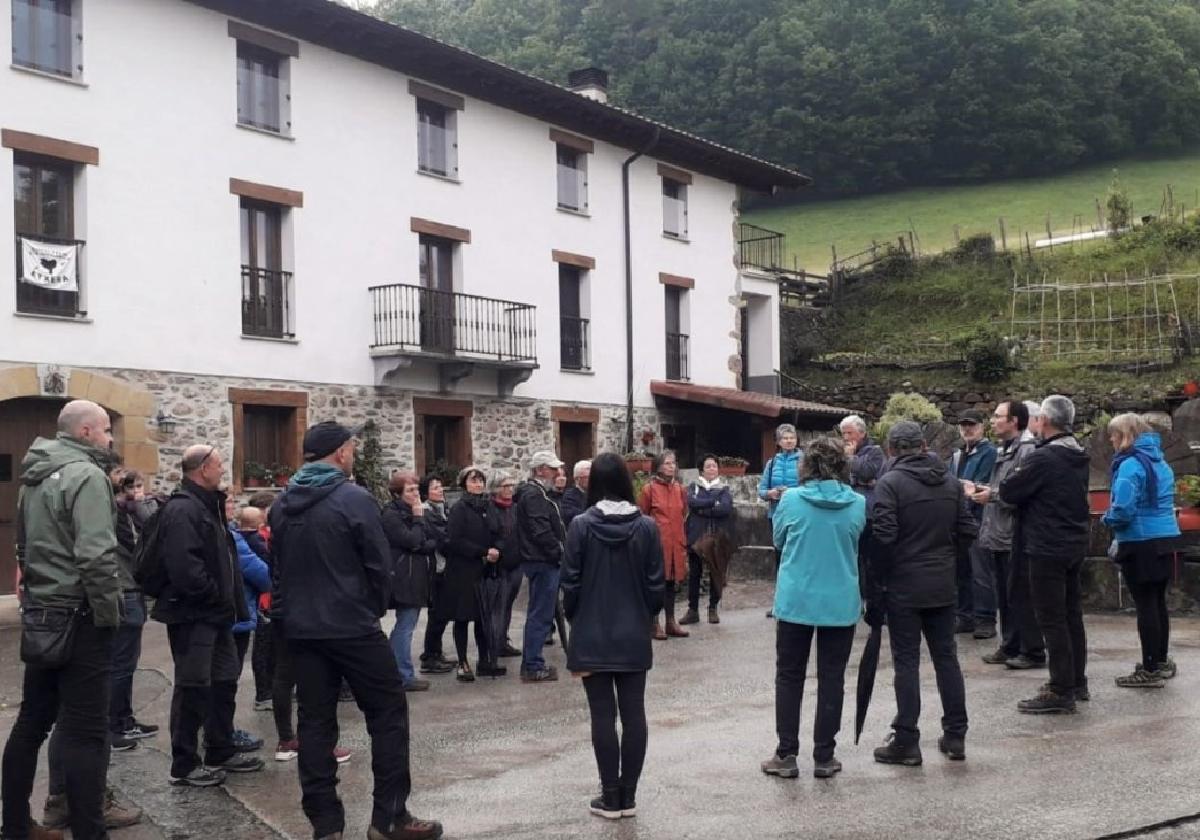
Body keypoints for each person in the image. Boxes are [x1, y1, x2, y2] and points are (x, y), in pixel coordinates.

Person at [270, 422, 443, 840]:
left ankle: (326, 826)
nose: (351, 453)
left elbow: (279, 567)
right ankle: (389, 817)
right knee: (387, 715)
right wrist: (369, 607)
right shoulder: (353, 498)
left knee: (314, 723)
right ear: (341, 454)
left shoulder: (282, 503)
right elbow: (378, 565)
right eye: (350, 447)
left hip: (302, 628)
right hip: (351, 626)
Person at [2, 400, 124, 840]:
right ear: (87, 432)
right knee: (86, 731)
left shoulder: (33, 476)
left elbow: (22, 546)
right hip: (81, 616)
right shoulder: (87, 475)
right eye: (107, 429)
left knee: (32, 720)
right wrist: (110, 614)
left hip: (44, 612)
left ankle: (15, 826)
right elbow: (95, 555)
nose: (112, 438)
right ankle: (90, 832)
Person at [561, 452, 664, 820]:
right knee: (634, 713)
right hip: (633, 632)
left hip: (591, 632)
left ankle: (609, 797)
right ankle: (628, 796)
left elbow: (569, 583)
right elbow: (657, 587)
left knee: (602, 716)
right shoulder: (647, 527)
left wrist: (578, 618)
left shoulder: (580, 525)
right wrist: (645, 617)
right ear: (625, 481)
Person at [151, 446, 262, 787]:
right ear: (201, 469)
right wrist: (215, 595)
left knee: (224, 681)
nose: (222, 470)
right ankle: (183, 765)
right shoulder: (184, 509)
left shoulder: (206, 506)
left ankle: (220, 747)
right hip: (194, 614)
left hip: (215, 615)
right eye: (217, 464)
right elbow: (185, 568)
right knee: (192, 686)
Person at [871, 421, 977, 766]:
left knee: (907, 661)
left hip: (905, 582)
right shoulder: (949, 482)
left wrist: (880, 578)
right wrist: (950, 562)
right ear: (921, 446)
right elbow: (966, 530)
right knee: (946, 657)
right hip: (942, 581)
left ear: (892, 450)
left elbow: (883, 537)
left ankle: (906, 738)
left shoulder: (890, 484)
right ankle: (956, 734)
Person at [761, 437, 865, 781]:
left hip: (796, 600)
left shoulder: (790, 500)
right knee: (832, 678)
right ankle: (825, 754)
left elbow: (779, 541)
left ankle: (786, 753)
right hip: (840, 600)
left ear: (807, 466)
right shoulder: (858, 503)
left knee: (789, 675)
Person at [999, 395, 1091, 714]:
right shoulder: (1079, 453)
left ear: (1046, 422)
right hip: (1073, 541)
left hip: (1046, 545)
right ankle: (1076, 681)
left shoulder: (1044, 458)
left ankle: (1061, 689)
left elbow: (1011, 490)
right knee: (1071, 615)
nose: (1034, 422)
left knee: (1051, 618)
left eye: (1038, 418)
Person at [1103, 413, 1181, 688]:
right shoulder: (1161, 463)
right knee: (1158, 602)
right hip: (1167, 538)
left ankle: (1148, 668)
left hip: (1140, 540)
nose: (1110, 440)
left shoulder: (1130, 465)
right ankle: (1160, 660)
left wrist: (1107, 520)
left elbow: (1123, 508)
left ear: (1125, 435)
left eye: (1113, 434)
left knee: (1145, 605)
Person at [972, 401, 1045, 668]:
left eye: (997, 416)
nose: (992, 421)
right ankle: (1010, 644)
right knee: (1004, 593)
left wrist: (991, 495)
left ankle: (1030, 648)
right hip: (999, 533)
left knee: (1020, 595)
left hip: (1013, 533)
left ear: (1014, 421)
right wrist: (984, 490)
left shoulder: (1027, 451)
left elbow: (1021, 492)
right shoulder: (1006, 449)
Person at [110, 469, 160, 743]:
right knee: (121, 664)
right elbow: (146, 539)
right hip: (125, 590)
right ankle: (115, 725)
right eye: (132, 486)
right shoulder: (117, 515)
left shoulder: (127, 512)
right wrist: (138, 505)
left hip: (133, 590)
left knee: (127, 664)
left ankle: (124, 718)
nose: (138, 491)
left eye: (141, 485)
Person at [442, 466, 504, 680]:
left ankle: (484, 661)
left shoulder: (488, 506)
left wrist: (496, 549)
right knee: (462, 617)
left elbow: (497, 530)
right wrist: (483, 551)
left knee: (482, 617)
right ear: (464, 484)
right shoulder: (459, 508)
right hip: (463, 570)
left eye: (480, 480)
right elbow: (454, 540)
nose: (478, 484)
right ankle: (462, 662)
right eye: (473, 480)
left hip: (484, 569)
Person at [514, 451, 568, 683]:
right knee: (540, 614)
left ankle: (533, 662)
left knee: (541, 613)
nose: (557, 473)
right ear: (540, 470)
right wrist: (558, 553)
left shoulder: (534, 493)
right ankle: (533, 665)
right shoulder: (534, 495)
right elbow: (540, 530)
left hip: (539, 559)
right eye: (552, 468)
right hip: (542, 561)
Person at [382, 471, 437, 692]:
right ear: (397, 494)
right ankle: (402, 675)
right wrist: (417, 519)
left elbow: (433, 540)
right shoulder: (391, 515)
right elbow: (412, 540)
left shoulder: (416, 512)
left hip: (417, 574)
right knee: (404, 627)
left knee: (407, 625)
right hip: (403, 576)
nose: (416, 494)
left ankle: (399, 672)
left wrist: (419, 536)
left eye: (416, 489)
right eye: (410, 490)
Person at [948, 409, 997, 637]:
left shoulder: (989, 453)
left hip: (979, 516)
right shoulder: (958, 455)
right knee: (961, 570)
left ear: (982, 426)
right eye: (963, 425)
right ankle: (964, 616)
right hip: (960, 517)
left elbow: (983, 483)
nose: (967, 429)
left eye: (972, 425)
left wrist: (964, 487)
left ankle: (985, 618)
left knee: (981, 571)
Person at [638, 450, 690, 640]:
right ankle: (654, 623)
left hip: (676, 544)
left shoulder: (680, 489)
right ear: (658, 466)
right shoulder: (649, 489)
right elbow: (642, 517)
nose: (672, 466)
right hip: (656, 545)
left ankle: (670, 621)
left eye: (674, 463)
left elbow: (684, 513)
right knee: (656, 584)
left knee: (671, 584)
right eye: (668, 463)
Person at [841, 415, 885, 624]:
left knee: (873, 564)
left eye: (850, 433)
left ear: (862, 433)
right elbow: (843, 479)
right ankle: (854, 605)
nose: (846, 438)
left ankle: (876, 609)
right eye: (843, 434)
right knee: (852, 563)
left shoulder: (875, 451)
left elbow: (869, 472)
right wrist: (863, 480)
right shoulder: (844, 454)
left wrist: (851, 460)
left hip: (870, 516)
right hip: (849, 514)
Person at [681, 454, 733, 625]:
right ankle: (693, 610)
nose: (712, 469)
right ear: (702, 469)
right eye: (708, 466)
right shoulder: (694, 486)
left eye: (714, 466)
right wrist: (712, 502)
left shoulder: (724, 488)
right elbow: (691, 502)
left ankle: (713, 609)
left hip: (716, 537)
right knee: (694, 574)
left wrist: (703, 507)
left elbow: (725, 508)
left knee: (715, 573)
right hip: (696, 536)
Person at [759, 423, 803, 617]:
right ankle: (780, 604)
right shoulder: (772, 463)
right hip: (777, 516)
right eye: (785, 438)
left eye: (792, 437)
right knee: (780, 560)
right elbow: (761, 491)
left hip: (799, 515)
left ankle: (800, 602)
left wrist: (791, 492)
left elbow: (809, 485)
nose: (789, 441)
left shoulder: (804, 460)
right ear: (778, 441)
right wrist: (770, 493)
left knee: (799, 559)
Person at [237, 505, 275, 711]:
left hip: (261, 602)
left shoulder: (242, 539)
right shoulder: (256, 541)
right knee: (264, 650)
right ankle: (264, 694)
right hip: (264, 602)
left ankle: (266, 692)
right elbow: (264, 574)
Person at [418, 475, 454, 676]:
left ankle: (435, 652)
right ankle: (430, 657)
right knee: (437, 614)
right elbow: (443, 538)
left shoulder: (443, 508)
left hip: (445, 567)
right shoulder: (427, 511)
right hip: (436, 569)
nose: (440, 490)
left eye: (441, 487)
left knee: (442, 613)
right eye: (435, 488)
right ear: (426, 492)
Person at [489, 471, 524, 658]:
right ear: (496, 488)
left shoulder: (515, 508)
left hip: (516, 563)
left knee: (508, 605)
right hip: (499, 565)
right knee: (498, 607)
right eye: (506, 486)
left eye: (512, 485)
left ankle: (503, 641)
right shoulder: (490, 509)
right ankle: (494, 645)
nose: (510, 489)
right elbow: (492, 534)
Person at [559, 460, 590, 527]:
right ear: (577, 479)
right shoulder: (569, 496)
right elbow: (573, 516)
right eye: (587, 477)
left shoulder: (597, 493)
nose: (591, 479)